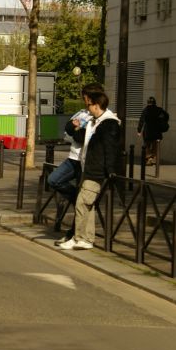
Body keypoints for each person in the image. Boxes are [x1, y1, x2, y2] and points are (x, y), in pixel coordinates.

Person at [60, 84, 120, 251]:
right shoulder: (96, 122)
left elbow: (110, 148)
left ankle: (81, 238)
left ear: (96, 104)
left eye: (88, 104)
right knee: (88, 205)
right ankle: (84, 238)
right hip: (88, 169)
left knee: (82, 203)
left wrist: (110, 170)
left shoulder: (109, 124)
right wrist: (73, 127)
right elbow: (80, 136)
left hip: (97, 171)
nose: (87, 108)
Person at [50, 108, 90, 242]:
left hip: (84, 160)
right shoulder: (81, 112)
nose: (86, 103)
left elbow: (81, 138)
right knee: (53, 179)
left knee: (81, 203)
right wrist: (74, 128)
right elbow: (68, 128)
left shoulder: (100, 117)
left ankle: (73, 234)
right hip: (73, 158)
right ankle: (74, 197)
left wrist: (76, 129)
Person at [137, 96, 168, 165]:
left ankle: (149, 159)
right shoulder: (159, 109)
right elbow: (166, 115)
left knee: (147, 145)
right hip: (157, 131)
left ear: (148, 103)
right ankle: (154, 158)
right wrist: (162, 119)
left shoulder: (146, 110)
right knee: (155, 145)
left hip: (148, 131)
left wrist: (139, 130)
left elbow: (141, 120)